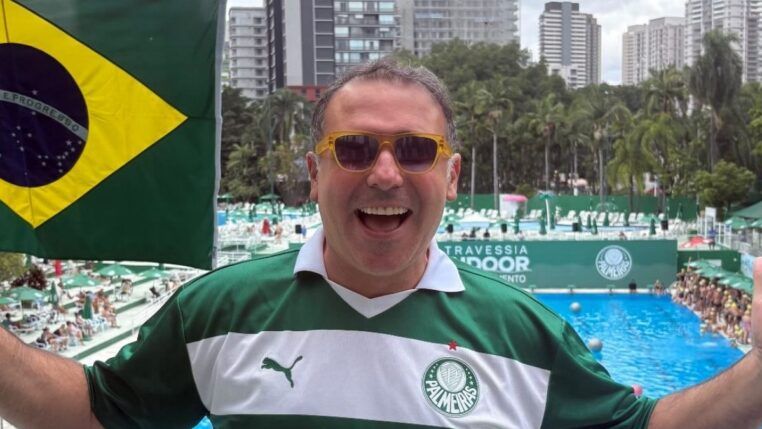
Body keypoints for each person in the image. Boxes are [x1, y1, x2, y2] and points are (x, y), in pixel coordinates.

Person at [2, 59, 762, 429]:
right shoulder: (218, 313)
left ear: (452, 176)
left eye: (417, 150)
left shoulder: (524, 334)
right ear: (315, 172)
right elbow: (96, 415)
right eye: (356, 148)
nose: (386, 173)